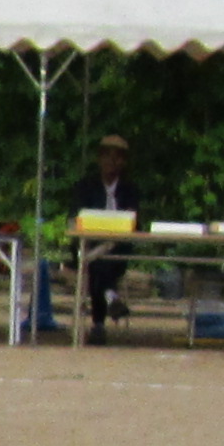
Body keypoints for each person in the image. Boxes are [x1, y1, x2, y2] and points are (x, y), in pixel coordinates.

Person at [62, 133, 148, 326]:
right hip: (89, 245)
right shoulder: (85, 186)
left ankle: (98, 324)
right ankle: (111, 298)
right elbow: (74, 218)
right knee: (95, 261)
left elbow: (134, 222)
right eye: (106, 155)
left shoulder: (130, 189)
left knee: (97, 264)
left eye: (116, 156)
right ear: (99, 159)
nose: (111, 161)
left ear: (123, 161)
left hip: (117, 247)